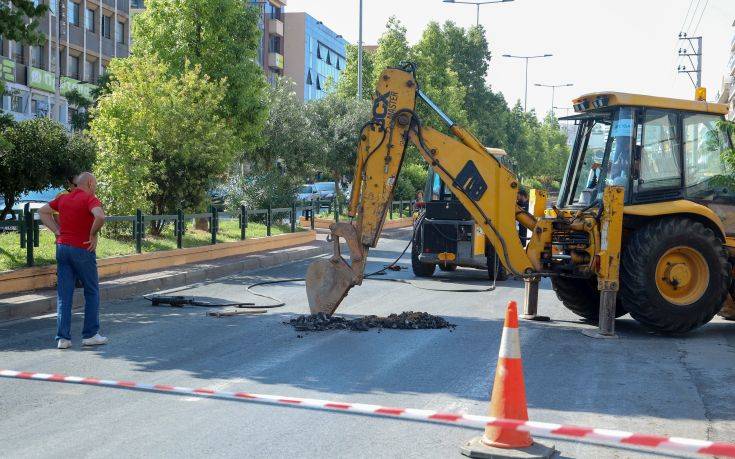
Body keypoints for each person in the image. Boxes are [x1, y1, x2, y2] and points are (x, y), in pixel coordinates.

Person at [38, 172, 107, 350]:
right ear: (91, 183)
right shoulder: (90, 199)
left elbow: (43, 211)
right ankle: (90, 335)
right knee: (91, 290)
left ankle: (63, 338)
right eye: (96, 185)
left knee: (64, 294)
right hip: (82, 249)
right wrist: (92, 234)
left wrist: (57, 231)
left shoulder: (63, 198)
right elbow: (100, 216)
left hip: (62, 249)